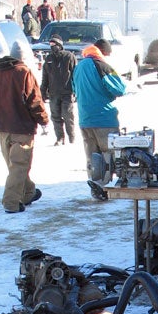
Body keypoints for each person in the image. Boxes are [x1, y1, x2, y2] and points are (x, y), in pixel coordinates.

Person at [0, 40, 49, 214]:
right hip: (21, 126)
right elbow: (34, 100)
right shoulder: (23, 73)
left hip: (0, 126)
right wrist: (43, 120)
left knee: (14, 165)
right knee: (19, 164)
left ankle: (28, 193)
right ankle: (11, 202)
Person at [71, 38, 126, 201]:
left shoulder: (78, 67)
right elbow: (120, 88)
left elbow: (74, 89)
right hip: (104, 118)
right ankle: (105, 188)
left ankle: (96, 185)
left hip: (84, 119)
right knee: (108, 155)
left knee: (92, 156)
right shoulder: (102, 65)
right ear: (103, 52)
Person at [41, 34, 77, 145]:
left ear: (60, 45)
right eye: (50, 44)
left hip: (67, 92)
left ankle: (71, 137)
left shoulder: (69, 57)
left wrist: (76, 91)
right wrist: (43, 91)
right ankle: (60, 137)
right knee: (55, 116)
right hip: (53, 93)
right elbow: (45, 76)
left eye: (54, 44)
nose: (52, 47)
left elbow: (75, 74)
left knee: (67, 115)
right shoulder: (49, 59)